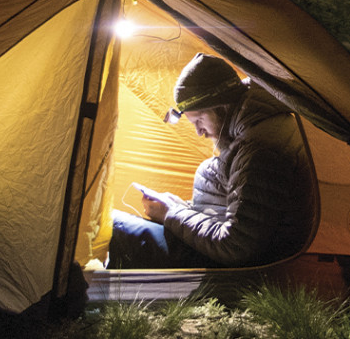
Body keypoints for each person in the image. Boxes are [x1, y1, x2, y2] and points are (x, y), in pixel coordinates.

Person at [107, 53, 312, 269]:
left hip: (244, 270)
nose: (198, 132)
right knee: (123, 224)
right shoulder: (257, 131)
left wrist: (171, 214)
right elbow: (235, 215)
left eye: (199, 120)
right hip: (235, 255)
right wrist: (180, 207)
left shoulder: (261, 151)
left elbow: (236, 246)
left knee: (116, 226)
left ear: (221, 107)